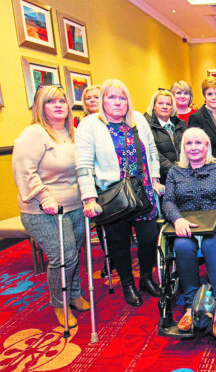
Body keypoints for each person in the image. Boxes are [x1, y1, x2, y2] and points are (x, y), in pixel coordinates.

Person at [76, 79, 163, 307]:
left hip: (143, 193)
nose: (117, 102)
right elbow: (84, 165)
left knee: (149, 237)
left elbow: (151, 151)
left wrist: (154, 179)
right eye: (111, 97)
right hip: (113, 194)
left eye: (122, 98)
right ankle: (127, 284)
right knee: (119, 241)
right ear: (102, 100)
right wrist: (89, 198)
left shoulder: (138, 120)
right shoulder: (90, 124)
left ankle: (145, 278)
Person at [13, 85, 89, 328]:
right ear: (40, 107)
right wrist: (43, 197)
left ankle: (74, 293)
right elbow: (25, 171)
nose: (58, 105)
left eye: (62, 101)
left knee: (74, 252)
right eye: (51, 101)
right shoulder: (34, 134)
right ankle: (59, 302)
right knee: (62, 255)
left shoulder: (72, 133)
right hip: (42, 208)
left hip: (75, 204)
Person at [163, 127, 216, 337]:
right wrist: (177, 219)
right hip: (186, 225)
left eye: (198, 143)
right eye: (188, 143)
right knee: (182, 245)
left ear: (206, 146)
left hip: (215, 226)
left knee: (211, 245)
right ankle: (190, 307)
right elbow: (167, 200)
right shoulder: (175, 171)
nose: (193, 147)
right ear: (183, 148)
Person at [144, 89, 187, 185]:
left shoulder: (181, 125)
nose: (164, 107)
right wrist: (174, 172)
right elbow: (155, 154)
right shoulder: (147, 127)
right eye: (160, 103)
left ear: (172, 107)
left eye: (168, 104)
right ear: (154, 106)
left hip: (184, 177)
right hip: (162, 181)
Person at [188, 77, 216, 170]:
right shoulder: (196, 117)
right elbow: (194, 148)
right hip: (207, 168)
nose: (214, 97)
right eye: (210, 94)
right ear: (204, 96)